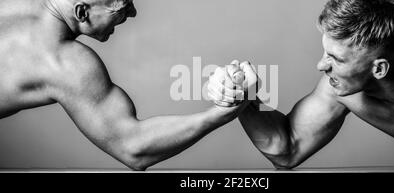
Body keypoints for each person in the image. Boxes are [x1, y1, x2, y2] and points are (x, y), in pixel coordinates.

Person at [0, 0, 245, 171]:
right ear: (82, 12)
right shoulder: (65, 64)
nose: (134, 13)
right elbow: (134, 148)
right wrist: (217, 116)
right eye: (123, 6)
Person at [208, 0, 394, 169]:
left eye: (336, 59)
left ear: (379, 68)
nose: (320, 66)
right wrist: (246, 97)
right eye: (326, 53)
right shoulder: (339, 88)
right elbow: (287, 149)